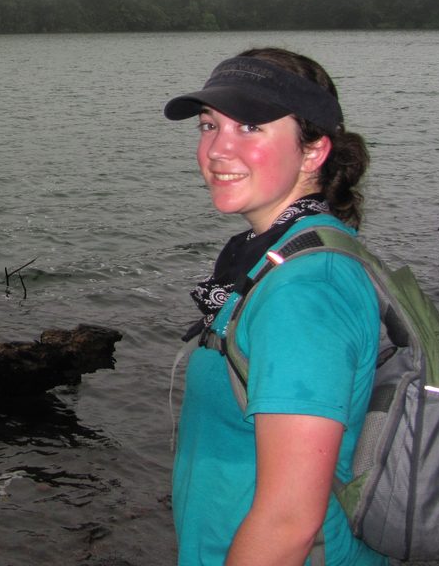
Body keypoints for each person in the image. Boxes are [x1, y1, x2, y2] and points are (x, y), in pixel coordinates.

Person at [164, 48, 388, 565]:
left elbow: (289, 521)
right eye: (208, 125)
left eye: (249, 127)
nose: (218, 149)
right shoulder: (286, 254)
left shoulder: (304, 291)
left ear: (313, 152)